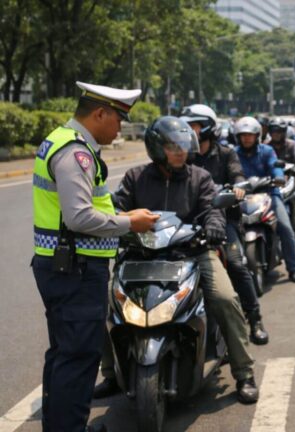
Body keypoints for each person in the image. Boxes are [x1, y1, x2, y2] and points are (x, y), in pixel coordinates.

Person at [101, 116, 259, 404]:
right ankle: (111, 373)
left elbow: (213, 207)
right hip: (141, 255)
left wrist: (214, 226)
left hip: (193, 253)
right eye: (172, 146)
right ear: (156, 148)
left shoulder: (200, 178)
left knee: (225, 299)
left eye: (183, 146)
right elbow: (118, 206)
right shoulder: (135, 177)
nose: (179, 152)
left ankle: (244, 372)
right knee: (107, 302)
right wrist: (116, 221)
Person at [31, 81, 159, 432]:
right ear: (99, 113)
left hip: (62, 266)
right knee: (77, 358)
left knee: (63, 355)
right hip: (75, 270)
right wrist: (130, 223)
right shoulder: (76, 153)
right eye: (118, 119)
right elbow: (79, 216)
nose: (120, 128)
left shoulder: (59, 140)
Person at [183, 104, 269, 345]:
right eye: (188, 126)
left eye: (195, 126)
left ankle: (255, 319)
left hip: (224, 220)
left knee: (237, 265)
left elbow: (237, 175)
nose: (190, 131)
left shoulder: (226, 154)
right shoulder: (184, 155)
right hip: (188, 224)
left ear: (208, 127)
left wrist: (238, 188)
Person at [235, 116, 295, 284]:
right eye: (243, 135)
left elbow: (275, 166)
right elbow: (230, 170)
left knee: (286, 228)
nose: (247, 138)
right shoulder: (234, 153)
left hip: (269, 194)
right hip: (242, 198)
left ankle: (293, 269)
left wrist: (278, 178)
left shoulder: (266, 151)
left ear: (257, 135)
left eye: (250, 135)